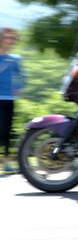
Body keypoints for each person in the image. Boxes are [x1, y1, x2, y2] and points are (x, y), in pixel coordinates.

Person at [0, 28, 25, 173]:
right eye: (6, 37)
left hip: (8, 98)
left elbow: (22, 75)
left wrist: (18, 87)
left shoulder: (15, 58)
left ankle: (6, 163)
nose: (9, 40)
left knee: (6, 131)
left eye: (12, 38)